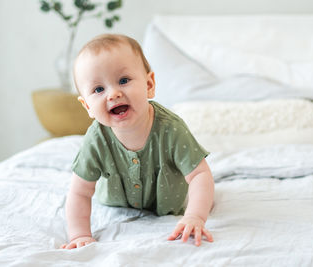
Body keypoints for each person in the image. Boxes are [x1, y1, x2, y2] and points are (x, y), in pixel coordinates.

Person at [60, 34, 214, 249]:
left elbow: (200, 175)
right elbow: (79, 192)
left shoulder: (171, 129)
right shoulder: (96, 138)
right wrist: (79, 235)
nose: (113, 94)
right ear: (87, 106)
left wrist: (195, 216)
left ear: (149, 84)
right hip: (114, 204)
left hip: (170, 207)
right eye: (98, 89)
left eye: (123, 80)